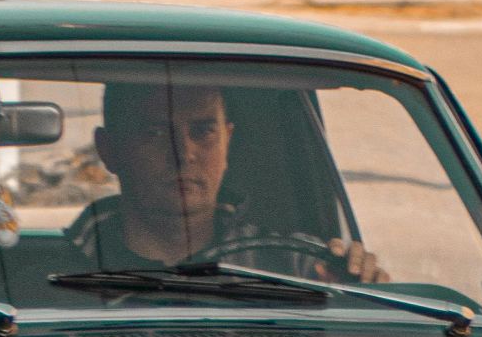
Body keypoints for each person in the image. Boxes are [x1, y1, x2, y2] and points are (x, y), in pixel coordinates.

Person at [64, 82, 386, 282]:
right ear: (109, 150)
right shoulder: (54, 270)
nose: (184, 154)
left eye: (203, 131)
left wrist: (365, 291)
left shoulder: (297, 269)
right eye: (155, 133)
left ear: (227, 142)